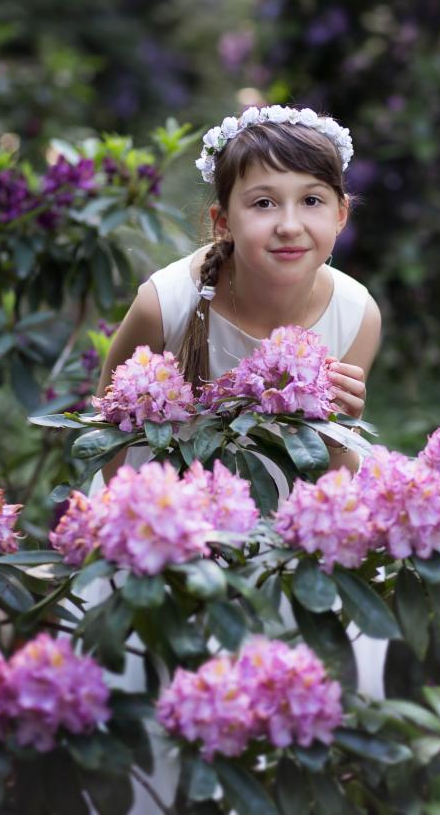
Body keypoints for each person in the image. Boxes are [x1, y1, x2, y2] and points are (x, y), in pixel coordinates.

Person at [91, 104, 382, 812]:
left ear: (341, 215)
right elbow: (109, 432)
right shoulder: (167, 302)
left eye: (311, 200)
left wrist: (342, 420)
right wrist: (163, 545)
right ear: (222, 220)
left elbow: (335, 469)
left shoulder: (355, 313)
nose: (289, 223)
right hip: (168, 520)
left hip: (286, 522)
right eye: (262, 203)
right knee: (168, 687)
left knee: (294, 692)